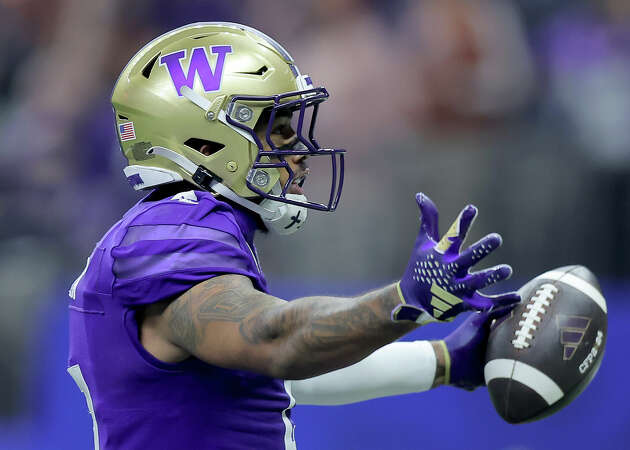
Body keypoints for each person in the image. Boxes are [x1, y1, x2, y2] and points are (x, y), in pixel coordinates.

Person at [67, 22, 519, 450]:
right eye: (279, 130)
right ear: (205, 144)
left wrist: (440, 360)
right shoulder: (173, 235)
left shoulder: (176, 230)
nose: (300, 153)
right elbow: (273, 341)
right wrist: (404, 301)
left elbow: (276, 375)